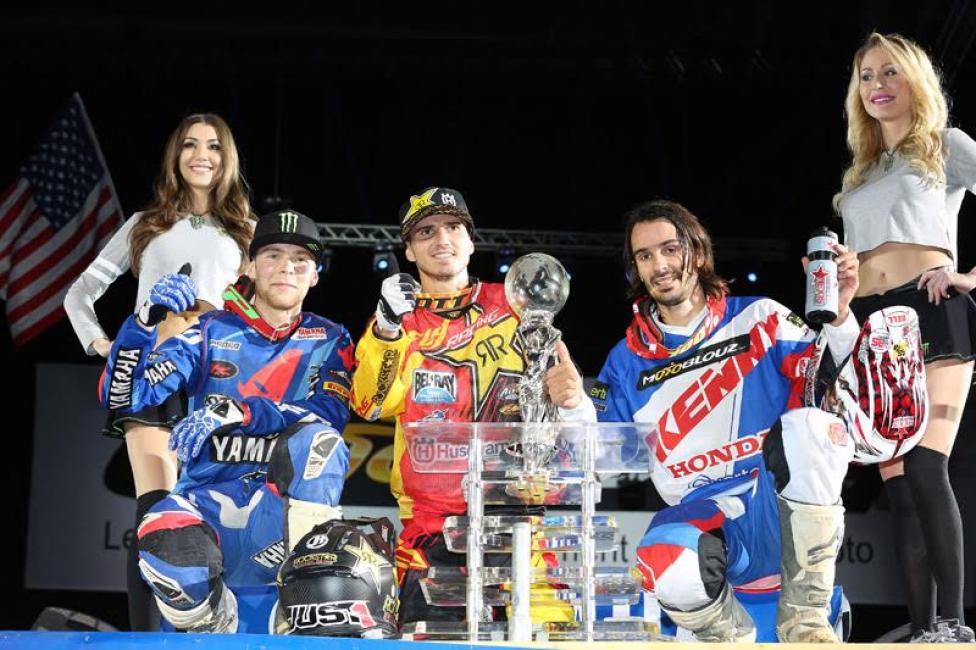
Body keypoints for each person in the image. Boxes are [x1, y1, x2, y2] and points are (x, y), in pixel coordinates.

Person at [591, 200, 863, 643]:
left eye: (670, 249)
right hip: (705, 519)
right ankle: (728, 641)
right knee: (661, 552)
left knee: (814, 428)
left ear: (697, 251)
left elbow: (836, 389)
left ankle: (807, 622)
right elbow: (606, 461)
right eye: (644, 256)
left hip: (778, 505)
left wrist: (843, 313)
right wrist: (568, 405)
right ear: (635, 269)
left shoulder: (762, 317)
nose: (659, 264)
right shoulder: (624, 363)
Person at [99, 210, 356, 634]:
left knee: (320, 443)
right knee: (161, 534)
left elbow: (329, 415)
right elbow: (125, 396)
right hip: (209, 510)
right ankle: (211, 621)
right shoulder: (205, 331)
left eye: (300, 260)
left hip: (281, 518)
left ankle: (301, 594)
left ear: (314, 275)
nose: (286, 267)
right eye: (272, 255)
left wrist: (243, 410)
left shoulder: (331, 338)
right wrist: (143, 324)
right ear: (250, 267)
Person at [350, 187, 595, 626]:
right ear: (408, 250)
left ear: (471, 240)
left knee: (552, 636)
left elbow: (571, 405)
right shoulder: (396, 321)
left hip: (524, 523)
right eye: (425, 231)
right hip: (432, 533)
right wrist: (386, 327)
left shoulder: (518, 304)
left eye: (453, 227)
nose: (441, 239)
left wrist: (575, 401)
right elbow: (369, 404)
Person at [63, 113, 255, 630]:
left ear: (226, 157)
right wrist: (102, 343)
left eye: (213, 146)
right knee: (158, 514)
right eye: (189, 145)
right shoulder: (146, 224)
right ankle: (144, 641)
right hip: (152, 377)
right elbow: (77, 293)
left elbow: (273, 307)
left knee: (217, 514)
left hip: (218, 379)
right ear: (175, 156)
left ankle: (219, 631)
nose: (201, 155)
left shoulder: (248, 233)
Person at [834, 32, 976, 643]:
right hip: (873, 327)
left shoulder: (948, 147)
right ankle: (923, 631)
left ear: (915, 80)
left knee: (925, 467)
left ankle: (954, 624)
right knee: (898, 493)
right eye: (866, 76)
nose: (877, 85)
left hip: (932, 309)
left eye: (890, 72)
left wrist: (968, 274)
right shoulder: (861, 171)